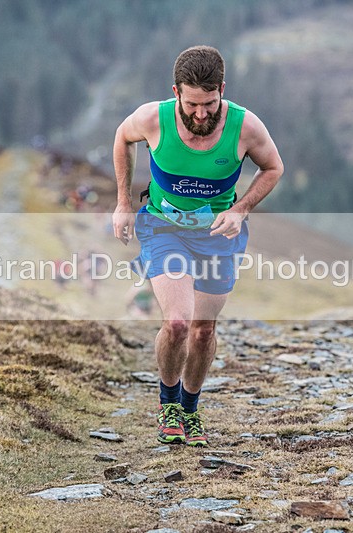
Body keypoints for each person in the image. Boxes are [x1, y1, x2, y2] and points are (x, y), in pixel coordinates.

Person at [112, 45, 283, 447]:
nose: (201, 114)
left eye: (209, 103)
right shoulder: (153, 119)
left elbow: (274, 167)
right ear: (176, 93)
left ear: (222, 89)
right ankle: (167, 403)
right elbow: (122, 138)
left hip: (218, 236)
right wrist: (122, 203)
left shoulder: (246, 127)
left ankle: (190, 408)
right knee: (177, 323)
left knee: (204, 331)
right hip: (162, 228)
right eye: (192, 104)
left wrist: (240, 209)